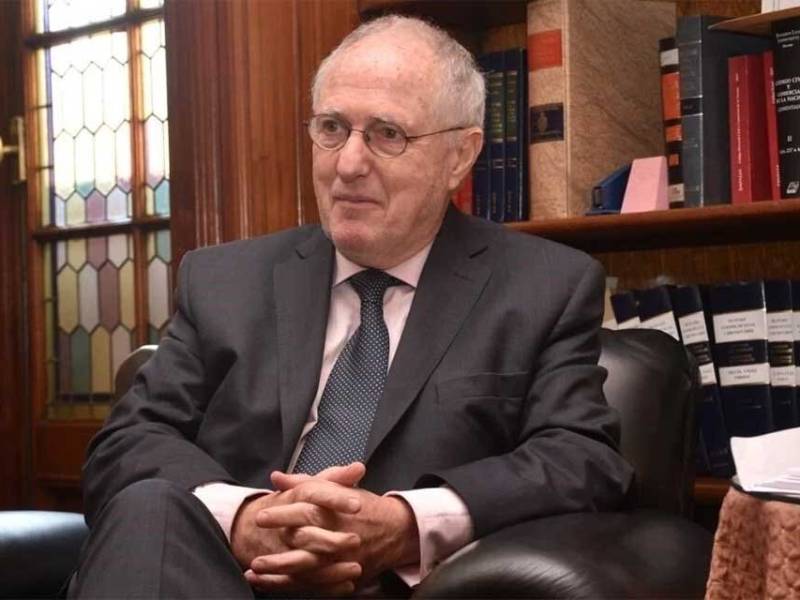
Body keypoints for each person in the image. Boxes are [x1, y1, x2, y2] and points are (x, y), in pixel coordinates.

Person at [70, 14, 633, 599]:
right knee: (148, 507)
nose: (348, 164)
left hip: (394, 589)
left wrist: (405, 524)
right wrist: (245, 519)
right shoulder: (223, 281)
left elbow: (581, 458)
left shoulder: (543, 286)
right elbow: (127, 444)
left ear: (460, 157)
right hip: (212, 581)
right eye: (332, 128)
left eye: (388, 134)